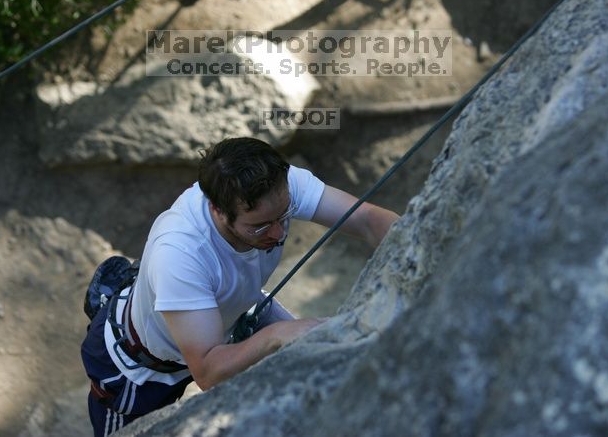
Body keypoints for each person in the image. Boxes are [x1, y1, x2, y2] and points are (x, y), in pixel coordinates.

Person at [81, 137, 400, 436]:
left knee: (326, 361)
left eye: (284, 216)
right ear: (218, 211)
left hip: (228, 314)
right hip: (139, 370)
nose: (277, 233)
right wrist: (275, 336)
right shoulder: (180, 254)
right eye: (259, 226)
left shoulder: (279, 189)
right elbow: (207, 371)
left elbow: (368, 220)